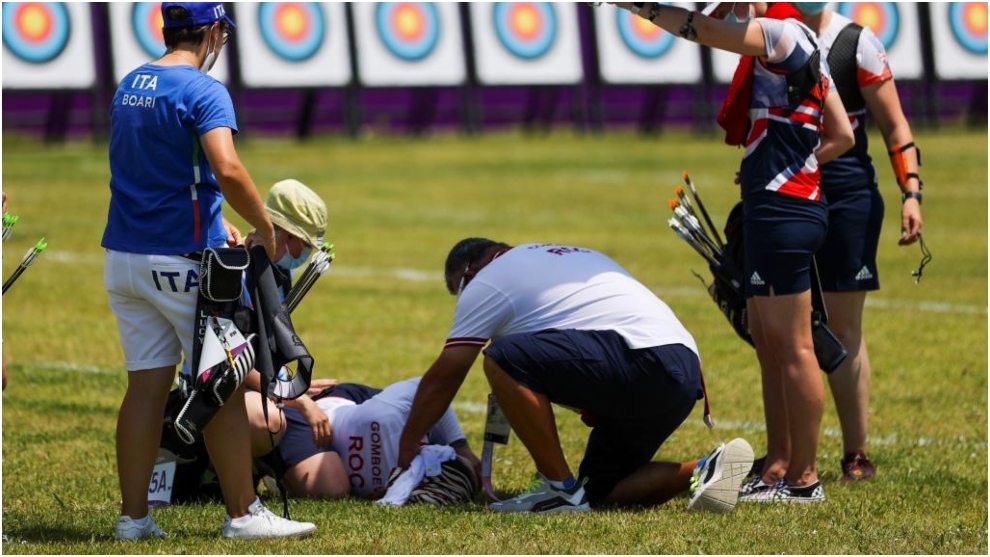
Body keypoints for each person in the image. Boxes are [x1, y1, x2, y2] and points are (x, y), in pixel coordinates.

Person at [608, 2, 855, 504]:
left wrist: (644, 7)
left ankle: (804, 481)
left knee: (795, 348)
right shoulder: (801, 42)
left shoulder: (780, 32)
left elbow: (702, 31)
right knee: (769, 344)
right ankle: (777, 466)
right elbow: (841, 135)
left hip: (786, 211)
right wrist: (784, 161)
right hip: (775, 205)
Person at [103, 2, 315, 540]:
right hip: (182, 258)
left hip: (124, 257)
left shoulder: (131, 82)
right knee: (218, 382)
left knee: (145, 387)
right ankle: (243, 514)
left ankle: (134, 520)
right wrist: (265, 229)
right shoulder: (202, 89)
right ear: (214, 32)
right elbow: (226, 166)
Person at [396, 238, 755, 514]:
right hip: (682, 367)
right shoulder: (563, 257)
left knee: (502, 358)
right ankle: (705, 469)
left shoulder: (486, 280)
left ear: (470, 274)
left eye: (460, 290)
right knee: (602, 489)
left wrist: (407, 445)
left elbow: (448, 373)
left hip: (641, 360)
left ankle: (559, 489)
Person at [793, 1, 924, 481]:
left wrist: (912, 193)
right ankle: (785, 456)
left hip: (847, 194)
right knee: (785, 330)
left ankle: (856, 453)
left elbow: (895, 127)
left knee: (844, 327)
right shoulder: (765, 35)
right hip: (787, 190)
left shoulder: (856, 43)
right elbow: (710, 26)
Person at [245, 377, 481, 503]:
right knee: (330, 489)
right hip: (328, 407)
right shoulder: (388, 416)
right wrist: (462, 446)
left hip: (354, 414)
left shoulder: (392, 487)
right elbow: (432, 387)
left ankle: (277, 466)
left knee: (334, 489)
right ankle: (257, 444)